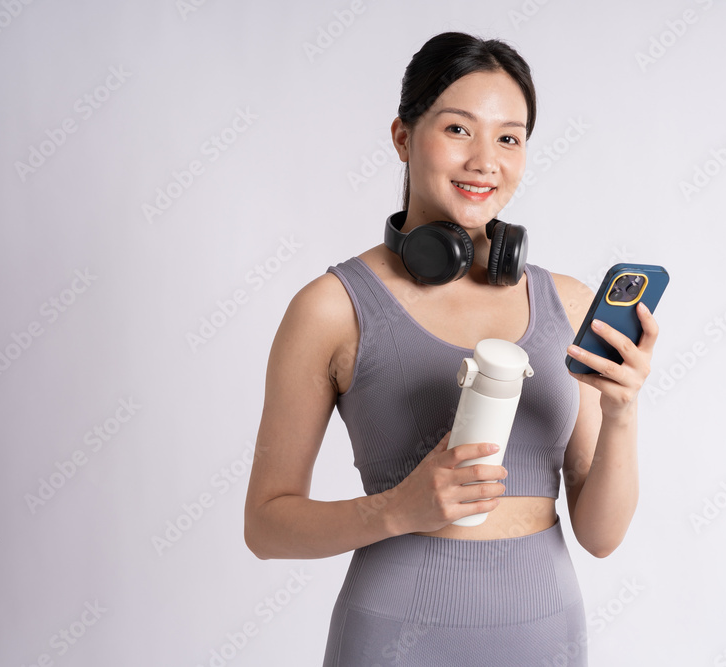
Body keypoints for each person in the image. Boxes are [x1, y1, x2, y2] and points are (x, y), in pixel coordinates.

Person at [243, 31, 659, 666]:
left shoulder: (568, 303)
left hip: (544, 637)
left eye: (509, 137)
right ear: (403, 137)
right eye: (459, 129)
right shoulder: (331, 308)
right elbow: (265, 527)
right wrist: (395, 510)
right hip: (394, 638)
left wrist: (624, 412)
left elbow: (601, 537)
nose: (485, 160)